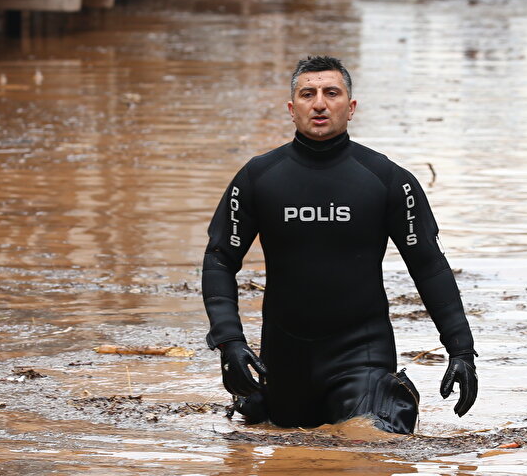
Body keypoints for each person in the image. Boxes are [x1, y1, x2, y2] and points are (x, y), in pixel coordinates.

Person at [201, 55, 478, 435]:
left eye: (331, 93)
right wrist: (230, 341)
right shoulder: (258, 177)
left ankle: (390, 400)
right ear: (291, 108)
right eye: (308, 94)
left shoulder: (388, 179)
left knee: (369, 446)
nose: (319, 103)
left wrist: (460, 349)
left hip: (361, 353)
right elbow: (219, 259)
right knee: (284, 473)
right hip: (285, 358)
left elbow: (429, 266)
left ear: (350, 108)